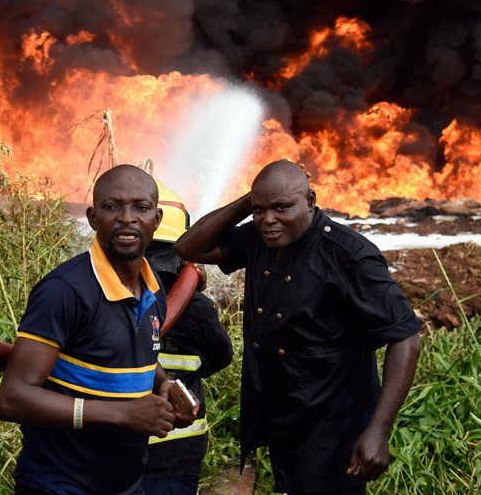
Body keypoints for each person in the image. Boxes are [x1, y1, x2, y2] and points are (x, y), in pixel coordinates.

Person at [174, 160, 421, 494]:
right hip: (282, 417)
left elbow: (406, 337)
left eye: (281, 207)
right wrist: (253, 198)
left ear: (310, 200)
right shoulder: (261, 237)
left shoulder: (349, 255)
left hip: (333, 426)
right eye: (260, 210)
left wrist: (379, 429)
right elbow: (189, 247)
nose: (269, 220)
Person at [0, 164, 198, 495]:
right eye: (112, 206)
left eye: (141, 207)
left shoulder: (153, 288)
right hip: (59, 486)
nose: (127, 218)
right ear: (92, 217)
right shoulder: (64, 291)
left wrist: (165, 386)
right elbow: (13, 399)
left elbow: (139, 352)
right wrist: (122, 414)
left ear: (156, 219)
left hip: (127, 484)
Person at [143, 181, 234, 495]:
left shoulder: (113, 299)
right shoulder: (197, 309)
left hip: (120, 444)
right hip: (178, 451)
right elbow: (222, 355)